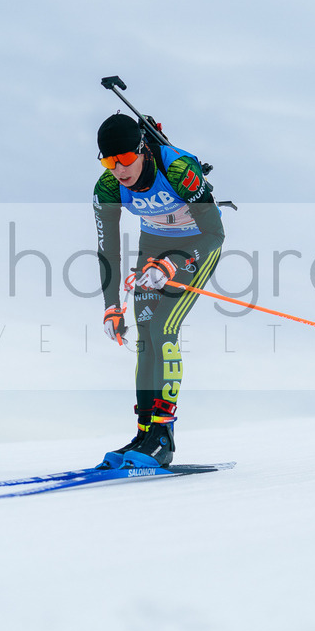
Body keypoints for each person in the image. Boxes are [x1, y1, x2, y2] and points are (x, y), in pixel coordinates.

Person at [92, 112, 225, 469]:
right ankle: (145, 434)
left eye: (125, 158)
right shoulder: (107, 187)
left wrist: (174, 265)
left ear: (141, 149)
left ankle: (163, 437)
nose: (119, 170)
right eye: (109, 161)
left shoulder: (178, 170)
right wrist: (110, 306)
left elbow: (215, 234)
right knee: (145, 337)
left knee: (163, 328)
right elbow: (107, 249)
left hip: (196, 247)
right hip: (153, 245)